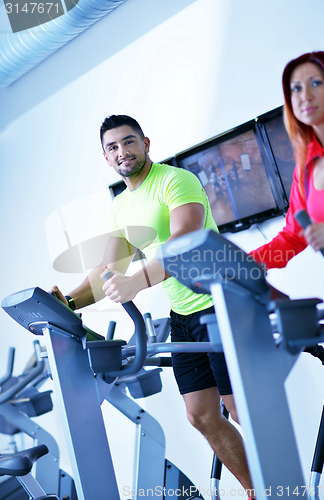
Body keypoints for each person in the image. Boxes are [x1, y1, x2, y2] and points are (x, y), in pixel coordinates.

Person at [51, 114, 255, 496]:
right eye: (113, 147)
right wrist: (70, 301)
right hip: (183, 313)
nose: (122, 151)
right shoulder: (121, 206)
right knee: (201, 416)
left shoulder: (176, 181)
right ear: (106, 157)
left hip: (219, 302)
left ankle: (285, 488)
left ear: (146, 143)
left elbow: (185, 239)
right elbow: (110, 268)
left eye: (128, 142)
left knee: (242, 409)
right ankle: (257, 490)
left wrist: (138, 281)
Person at [251, 51, 324, 269]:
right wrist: (241, 265)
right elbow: (293, 237)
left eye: (315, 83)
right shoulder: (305, 168)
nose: (305, 95)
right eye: (296, 88)